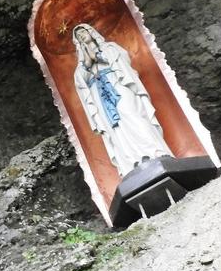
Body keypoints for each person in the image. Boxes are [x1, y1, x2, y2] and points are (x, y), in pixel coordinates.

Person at [72, 24, 172, 177]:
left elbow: (122, 60)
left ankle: (156, 151)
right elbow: (80, 82)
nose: (81, 36)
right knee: (116, 127)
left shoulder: (110, 47)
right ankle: (134, 162)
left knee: (131, 114)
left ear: (91, 32)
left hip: (117, 82)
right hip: (100, 93)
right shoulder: (81, 65)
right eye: (78, 36)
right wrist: (86, 62)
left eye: (83, 32)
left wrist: (96, 56)